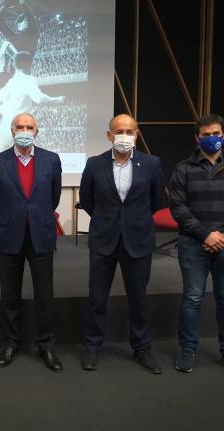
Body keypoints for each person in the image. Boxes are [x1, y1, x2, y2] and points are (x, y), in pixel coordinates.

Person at [78, 114, 165, 374]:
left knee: (138, 298)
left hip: (138, 240)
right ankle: (92, 347)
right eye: (119, 131)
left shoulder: (151, 164)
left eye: (129, 131)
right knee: (97, 298)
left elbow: (157, 200)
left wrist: (132, 220)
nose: (124, 136)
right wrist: (109, 220)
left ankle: (141, 348)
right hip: (104, 239)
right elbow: (87, 200)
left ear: (136, 134)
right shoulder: (94, 164)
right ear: (109, 135)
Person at [169, 114, 224, 379]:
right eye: (205, 135)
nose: (211, 139)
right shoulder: (183, 169)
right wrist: (206, 235)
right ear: (197, 138)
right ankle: (187, 350)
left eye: (215, 133)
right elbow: (178, 209)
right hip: (193, 244)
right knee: (192, 298)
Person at [0, 112, 63, 371]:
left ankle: (46, 346)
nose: (25, 130)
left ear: (37, 132)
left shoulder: (52, 160)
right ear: (12, 130)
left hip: (40, 236)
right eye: (20, 126)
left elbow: (53, 198)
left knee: (45, 295)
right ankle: (11, 343)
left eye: (30, 127)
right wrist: (10, 219)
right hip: (9, 235)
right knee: (10, 295)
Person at [0, 51, 64, 153]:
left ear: (14, 64)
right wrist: (57, 100)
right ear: (30, 64)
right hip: (19, 126)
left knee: (4, 157)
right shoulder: (28, 79)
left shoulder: (12, 82)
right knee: (28, 157)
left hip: (6, 124)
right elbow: (39, 99)